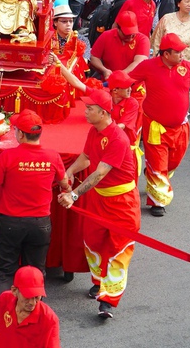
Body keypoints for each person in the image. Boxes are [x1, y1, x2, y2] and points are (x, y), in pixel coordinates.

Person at [57, 89, 140, 319]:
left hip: (121, 202)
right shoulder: (94, 131)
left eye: (90, 109)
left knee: (118, 249)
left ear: (103, 113)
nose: (85, 112)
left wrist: (74, 195)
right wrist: (69, 171)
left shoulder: (117, 138)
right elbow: (86, 157)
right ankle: (98, 282)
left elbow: (99, 173)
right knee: (92, 241)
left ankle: (108, 300)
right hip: (98, 198)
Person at [0, 111, 68, 316]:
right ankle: (33, 319)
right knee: (35, 273)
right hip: (40, 224)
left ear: (20, 134)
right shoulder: (52, 156)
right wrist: (66, 190)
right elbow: (64, 183)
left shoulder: (8, 156)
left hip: (11, 223)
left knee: (3, 272)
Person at [129, 33, 190, 216]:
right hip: (155, 127)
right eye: (178, 52)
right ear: (166, 54)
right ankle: (157, 202)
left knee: (172, 163)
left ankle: (153, 173)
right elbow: (126, 81)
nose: (182, 55)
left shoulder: (188, 67)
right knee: (159, 165)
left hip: (180, 128)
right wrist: (101, 86)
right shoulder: (148, 66)